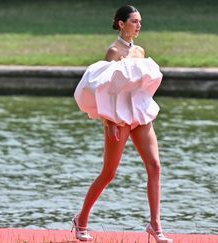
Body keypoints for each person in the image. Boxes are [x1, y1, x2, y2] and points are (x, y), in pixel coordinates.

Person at [72, 5, 173, 243]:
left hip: (139, 115)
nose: (138, 25)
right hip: (118, 118)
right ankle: (81, 220)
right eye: (134, 21)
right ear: (121, 24)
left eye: (140, 22)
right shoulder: (113, 51)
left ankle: (155, 225)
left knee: (155, 166)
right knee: (109, 173)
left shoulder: (140, 51)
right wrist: (109, 123)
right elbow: (102, 90)